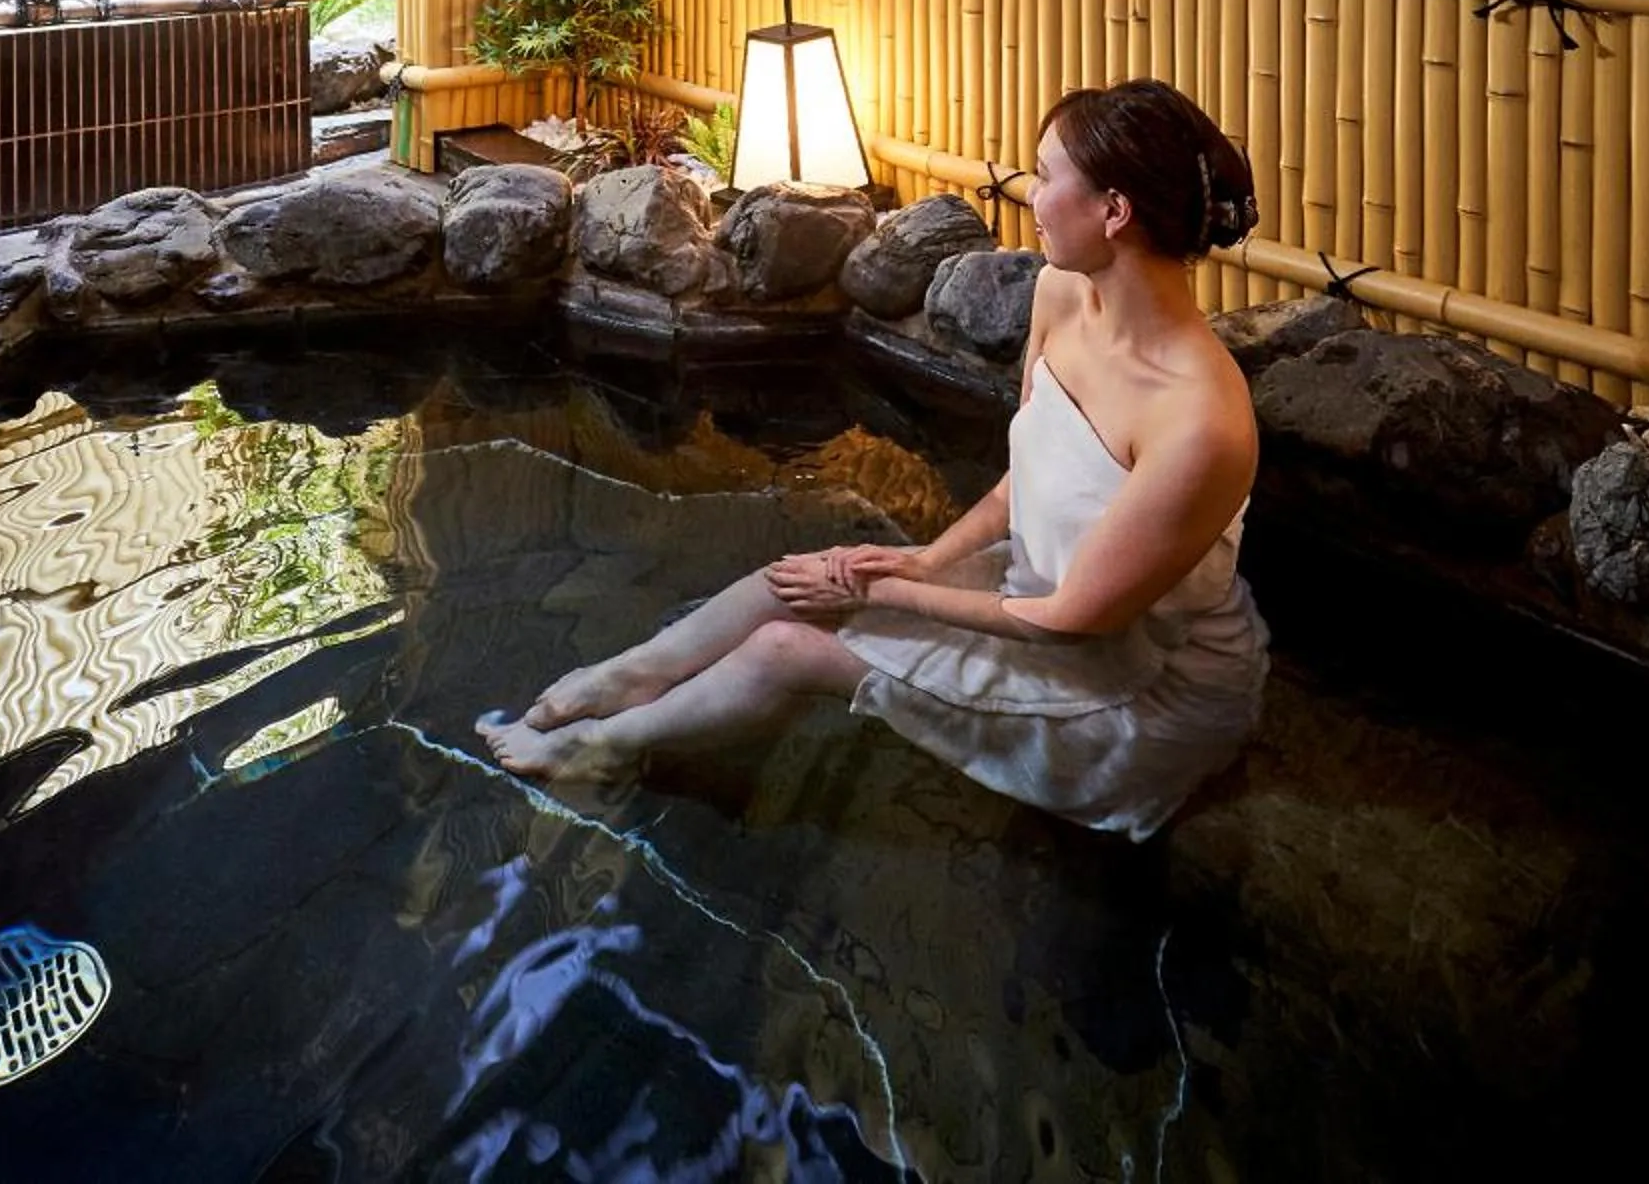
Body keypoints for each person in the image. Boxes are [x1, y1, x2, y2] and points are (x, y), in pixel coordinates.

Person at [479, 79, 1270, 841]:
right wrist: (923, 559)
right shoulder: (1063, 294)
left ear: (1115, 211)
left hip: (1131, 689)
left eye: (1048, 174)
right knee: (798, 576)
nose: (1028, 192)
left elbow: (1072, 621)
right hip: (1038, 588)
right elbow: (1022, 483)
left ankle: (598, 747)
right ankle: (630, 677)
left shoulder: (1197, 422)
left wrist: (895, 586)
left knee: (788, 644)